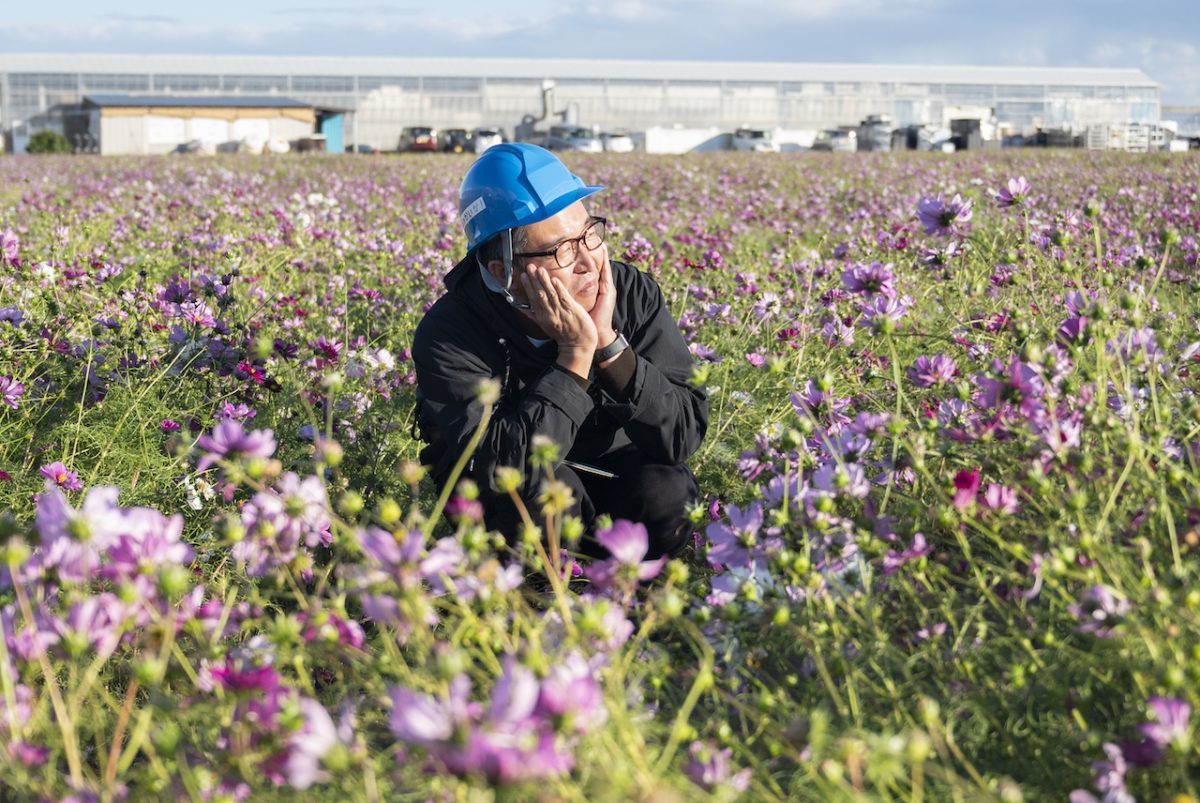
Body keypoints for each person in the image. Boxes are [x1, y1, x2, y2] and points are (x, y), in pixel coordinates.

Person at [412, 143, 707, 559]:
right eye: (561, 250)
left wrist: (609, 346)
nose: (588, 260)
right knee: (542, 503)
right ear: (503, 271)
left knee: (667, 495)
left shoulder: (631, 293)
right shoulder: (450, 334)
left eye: (590, 233)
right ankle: (541, 602)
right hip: (529, 494)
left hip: (617, 472)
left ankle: (642, 599)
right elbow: (501, 475)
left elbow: (682, 433)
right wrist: (575, 356)